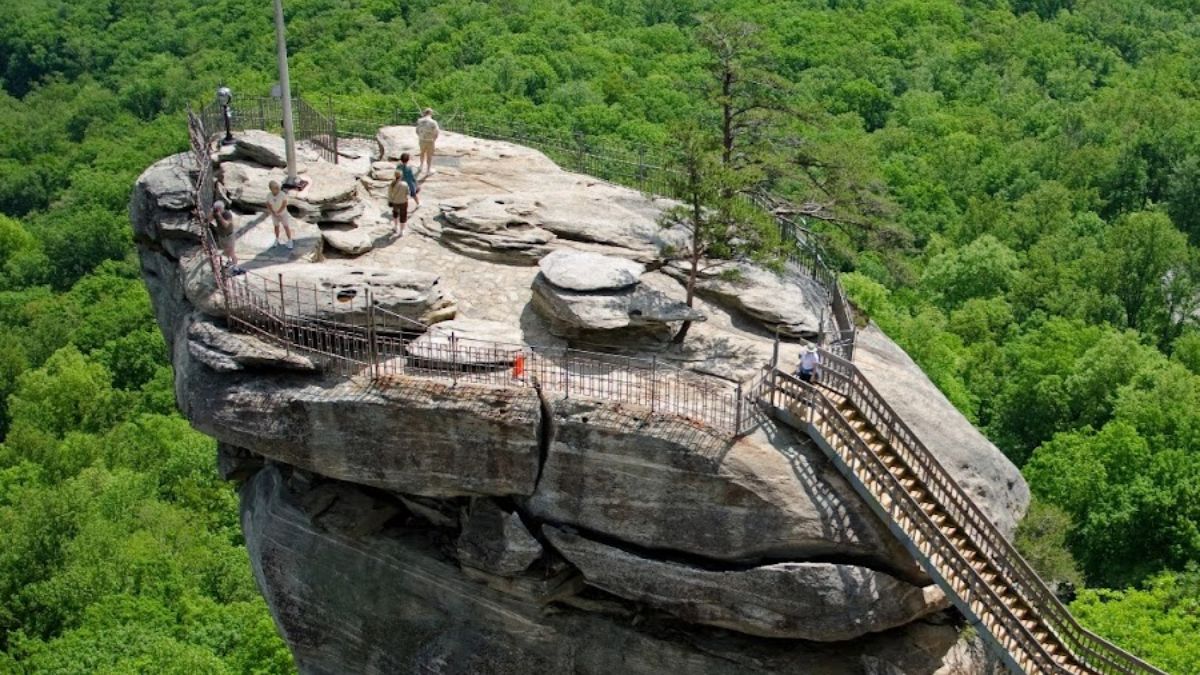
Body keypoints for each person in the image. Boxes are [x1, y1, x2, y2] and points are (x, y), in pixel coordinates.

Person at [210, 201, 245, 275]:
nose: (216, 210)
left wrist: (219, 216)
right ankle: (229, 262)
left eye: (217, 209)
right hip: (221, 236)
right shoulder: (215, 213)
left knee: (231, 252)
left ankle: (236, 268)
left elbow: (226, 225)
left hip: (229, 236)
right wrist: (211, 214)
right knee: (226, 251)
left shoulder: (227, 214)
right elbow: (208, 219)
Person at [266, 180, 295, 250]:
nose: (277, 189)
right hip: (274, 214)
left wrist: (278, 212)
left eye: (277, 187)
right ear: (271, 189)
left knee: (286, 226)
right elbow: (268, 204)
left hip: (283, 213)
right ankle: (276, 239)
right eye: (275, 188)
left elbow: (284, 204)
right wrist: (273, 212)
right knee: (276, 227)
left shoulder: (282, 194)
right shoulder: (269, 195)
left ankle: (290, 240)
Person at [415, 108, 440, 175]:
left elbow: (417, 131)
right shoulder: (433, 122)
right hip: (430, 140)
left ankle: (421, 166)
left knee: (422, 152)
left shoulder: (419, 120)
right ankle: (428, 170)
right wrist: (434, 139)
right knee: (429, 155)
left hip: (422, 140)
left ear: (425, 113)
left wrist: (420, 136)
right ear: (430, 113)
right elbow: (436, 132)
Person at [387, 169, 409, 236]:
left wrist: (390, 201)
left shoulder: (392, 184)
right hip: (403, 202)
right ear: (401, 176)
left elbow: (389, 194)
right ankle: (402, 231)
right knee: (403, 216)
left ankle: (395, 227)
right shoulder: (405, 184)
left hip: (395, 202)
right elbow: (407, 193)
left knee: (395, 214)